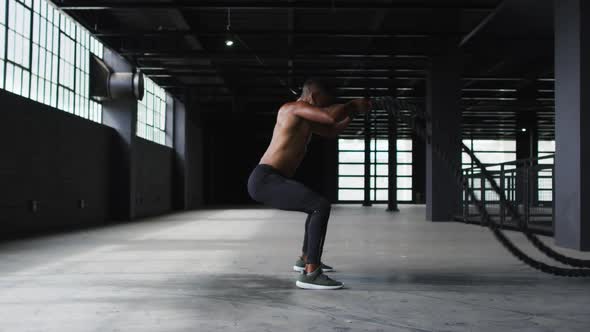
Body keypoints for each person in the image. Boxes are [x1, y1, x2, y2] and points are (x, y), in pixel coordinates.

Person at [247, 79, 371, 290]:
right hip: (265, 179)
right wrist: (351, 105)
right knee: (319, 205)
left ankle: (306, 259)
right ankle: (311, 272)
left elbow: (332, 129)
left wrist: (354, 112)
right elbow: (331, 116)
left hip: (274, 178)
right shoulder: (292, 108)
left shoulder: (305, 120)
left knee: (315, 206)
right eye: (323, 102)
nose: (325, 107)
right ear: (313, 97)